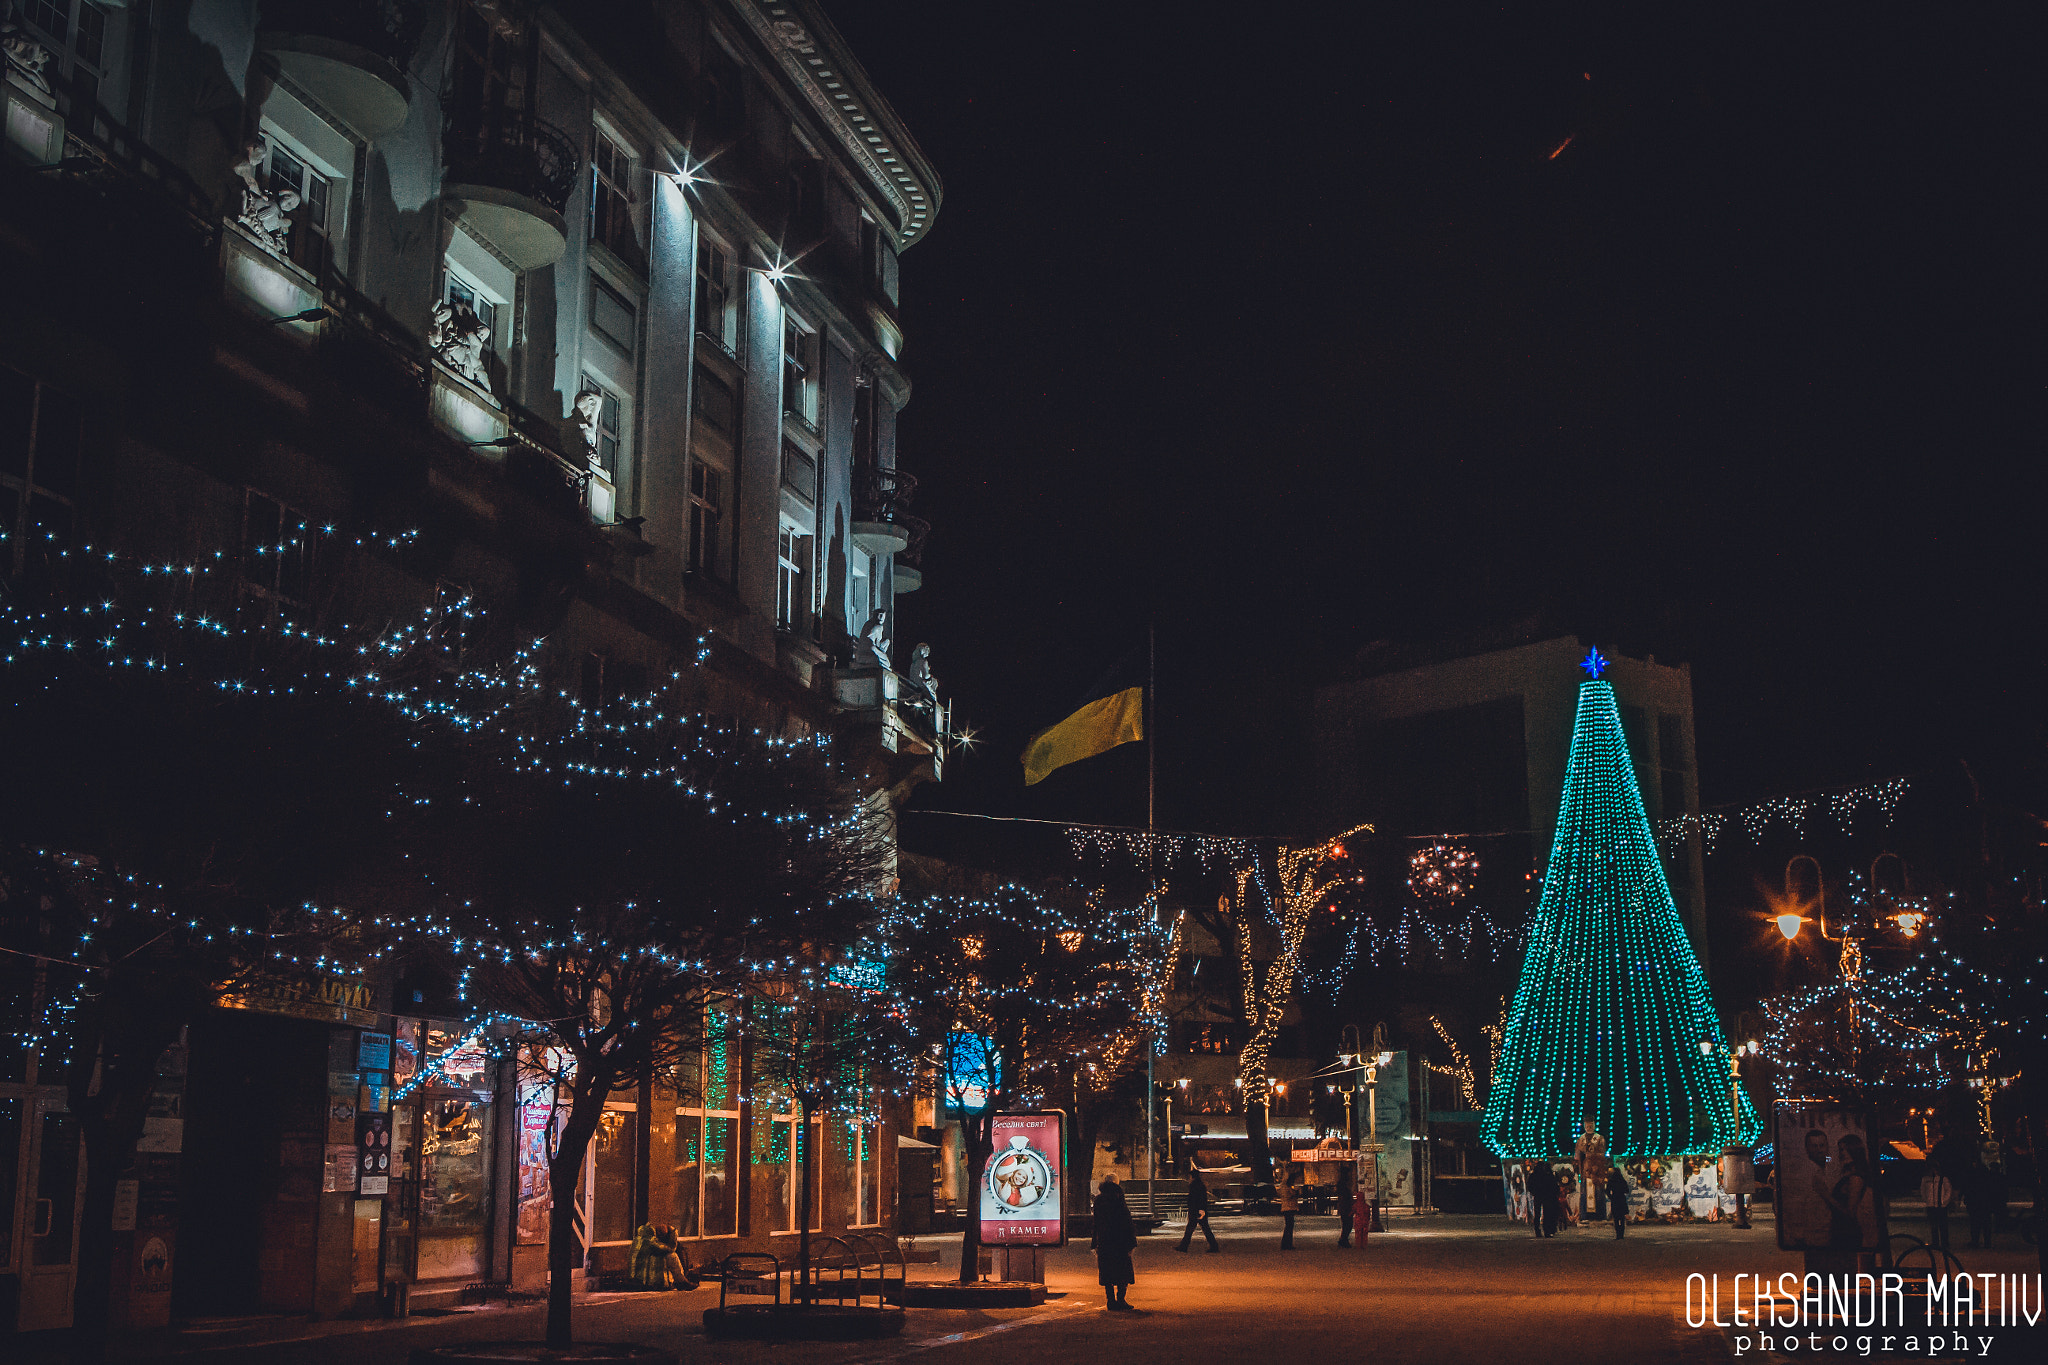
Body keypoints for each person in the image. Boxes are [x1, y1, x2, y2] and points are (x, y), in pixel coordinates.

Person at [1092, 1174, 1138, 1311]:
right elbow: (1126, 1221)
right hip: (1120, 1242)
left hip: (1105, 1241)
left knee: (1107, 1273)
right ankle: (1121, 1299)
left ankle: (1111, 1301)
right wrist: (1131, 1243)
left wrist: (1095, 1243)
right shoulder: (1118, 1198)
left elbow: (1096, 1223)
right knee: (1122, 1272)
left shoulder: (1099, 1200)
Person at [1822, 1134, 1872, 1252]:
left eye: (1844, 1149)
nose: (1841, 1154)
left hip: (1847, 1233)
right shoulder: (1849, 1175)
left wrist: (1826, 1195)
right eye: (1840, 1150)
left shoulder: (1855, 1178)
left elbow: (1850, 1212)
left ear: (1854, 1150)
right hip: (1840, 1230)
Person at [1177, 1167, 1219, 1252]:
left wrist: (1200, 1209)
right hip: (1198, 1209)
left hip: (1196, 1210)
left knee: (1191, 1229)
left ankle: (1183, 1246)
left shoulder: (1194, 1185)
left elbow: (1196, 1198)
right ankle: (1214, 1246)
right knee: (1204, 1229)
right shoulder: (1200, 1185)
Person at [1920, 1164, 1957, 1251]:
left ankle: (1944, 1242)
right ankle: (1935, 1242)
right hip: (1931, 1205)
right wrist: (1927, 1200)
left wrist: (1944, 1201)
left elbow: (1948, 1190)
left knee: (1942, 1225)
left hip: (1941, 1206)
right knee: (1933, 1226)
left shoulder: (1943, 1179)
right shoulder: (1926, 1179)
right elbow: (1923, 1190)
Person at [1278, 1165, 1300, 1249]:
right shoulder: (1287, 1188)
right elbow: (1291, 1195)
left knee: (1288, 1226)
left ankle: (1286, 1243)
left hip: (1286, 1208)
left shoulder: (1284, 1187)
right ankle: (1287, 1244)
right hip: (1288, 1208)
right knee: (1289, 1227)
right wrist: (1295, 1192)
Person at [1606, 1166, 1631, 1238]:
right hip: (1621, 1199)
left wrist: (1611, 1197)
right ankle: (1621, 1234)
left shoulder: (1611, 1181)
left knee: (1616, 1218)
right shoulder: (1622, 1181)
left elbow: (1607, 1190)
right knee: (1622, 1218)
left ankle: (1618, 1234)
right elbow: (1627, 1190)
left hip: (1615, 1199)